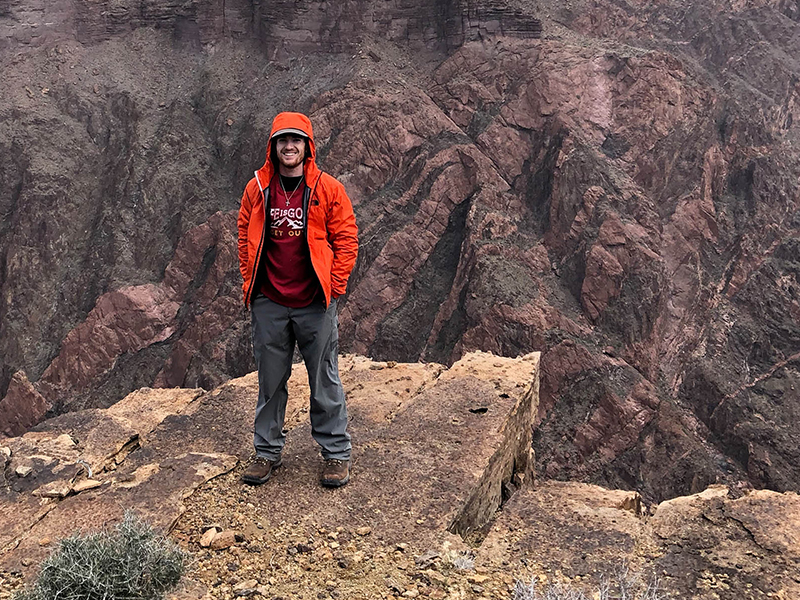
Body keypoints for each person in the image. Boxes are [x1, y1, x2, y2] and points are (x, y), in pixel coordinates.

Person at [237, 111, 358, 487]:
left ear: (308, 146)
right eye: (282, 141)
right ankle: (266, 451)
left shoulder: (327, 189)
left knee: (324, 378)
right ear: (272, 147)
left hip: (314, 303)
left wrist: (334, 287)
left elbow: (347, 239)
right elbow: (244, 232)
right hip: (270, 301)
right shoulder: (258, 188)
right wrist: (251, 283)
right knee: (270, 380)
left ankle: (336, 454)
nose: (289, 146)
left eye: (296, 140)